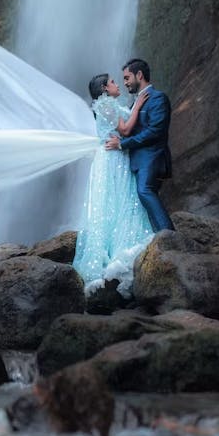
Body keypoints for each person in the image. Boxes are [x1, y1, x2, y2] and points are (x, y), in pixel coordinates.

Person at [72, 73, 155, 294]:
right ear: (104, 89)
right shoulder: (106, 103)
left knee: (117, 202)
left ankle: (116, 249)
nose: (117, 84)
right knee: (116, 201)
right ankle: (113, 256)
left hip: (116, 157)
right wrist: (137, 106)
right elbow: (125, 129)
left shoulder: (109, 103)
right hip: (111, 160)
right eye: (112, 82)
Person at [105, 58, 175, 232]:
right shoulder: (134, 103)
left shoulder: (158, 98)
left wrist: (123, 144)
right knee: (142, 198)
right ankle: (160, 236)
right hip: (137, 161)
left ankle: (169, 235)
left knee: (145, 191)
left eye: (127, 78)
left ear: (139, 75)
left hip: (152, 157)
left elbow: (155, 131)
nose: (125, 83)